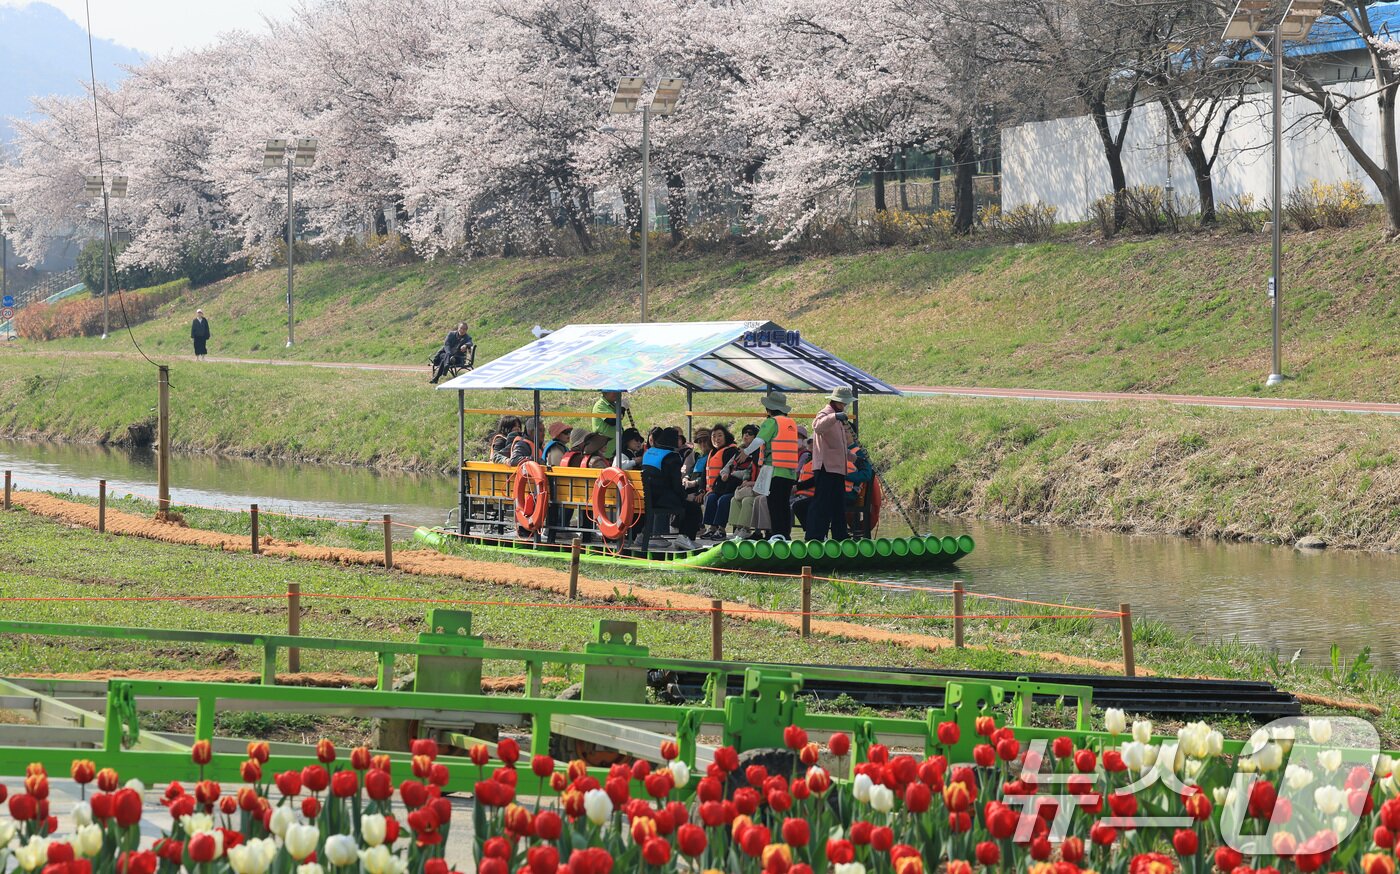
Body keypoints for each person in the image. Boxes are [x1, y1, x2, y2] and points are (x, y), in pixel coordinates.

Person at [734, 391, 801, 539]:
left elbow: (759, 440)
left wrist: (746, 452)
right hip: (790, 472)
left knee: (774, 505)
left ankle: (777, 535)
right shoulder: (791, 423)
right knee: (784, 505)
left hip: (775, 470)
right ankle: (785, 536)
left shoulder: (771, 422)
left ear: (769, 409)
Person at [635, 427, 702, 552]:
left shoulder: (649, 452)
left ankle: (644, 534)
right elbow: (676, 484)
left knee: (683, 501)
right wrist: (685, 496)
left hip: (645, 497)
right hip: (661, 500)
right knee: (693, 507)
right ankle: (685, 537)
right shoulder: (672, 457)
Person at [806, 386, 854, 540]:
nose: (845, 405)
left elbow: (838, 444)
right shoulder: (826, 413)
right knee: (822, 504)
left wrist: (852, 457)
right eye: (843, 402)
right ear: (837, 401)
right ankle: (814, 537)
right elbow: (817, 426)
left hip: (837, 468)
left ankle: (840, 537)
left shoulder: (838, 419)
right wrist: (834, 416)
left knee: (838, 505)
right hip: (825, 467)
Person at [726, 424, 769, 539]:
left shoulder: (766, 457)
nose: (746, 435)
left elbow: (767, 478)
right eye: (744, 433)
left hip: (763, 490)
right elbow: (748, 471)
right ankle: (738, 528)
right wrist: (745, 481)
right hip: (753, 488)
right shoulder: (754, 456)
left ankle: (745, 529)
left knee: (747, 501)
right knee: (734, 500)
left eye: (750, 434)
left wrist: (751, 483)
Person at [701, 424, 740, 538]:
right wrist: (702, 490)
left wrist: (715, 489)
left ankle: (721, 529)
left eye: (719, 436)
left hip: (730, 489)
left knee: (723, 499)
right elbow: (704, 473)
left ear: (725, 437)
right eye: (713, 436)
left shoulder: (731, 451)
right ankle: (712, 528)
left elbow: (729, 474)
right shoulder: (712, 452)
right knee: (711, 497)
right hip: (716, 489)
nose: (716, 439)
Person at [591, 391, 626, 458]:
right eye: (613, 391)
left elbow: (619, 417)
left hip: (614, 447)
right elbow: (613, 421)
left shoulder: (613, 404)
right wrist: (622, 408)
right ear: (605, 392)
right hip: (605, 449)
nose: (616, 394)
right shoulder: (600, 405)